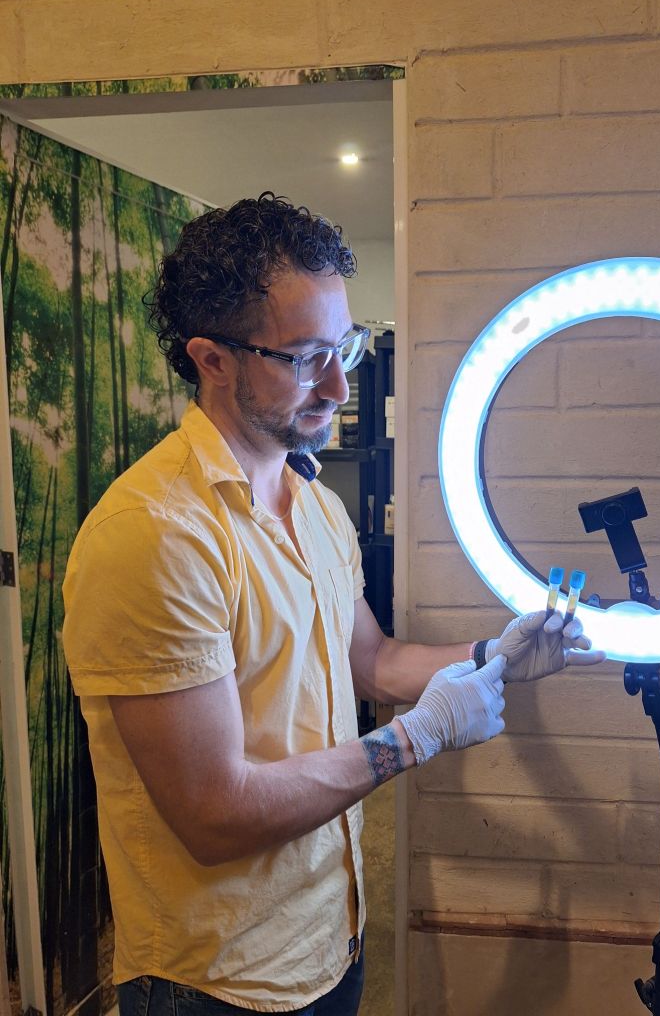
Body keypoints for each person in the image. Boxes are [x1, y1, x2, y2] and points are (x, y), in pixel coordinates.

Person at [62, 193, 604, 1016]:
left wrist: (493, 656)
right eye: (307, 357)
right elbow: (214, 814)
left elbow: (371, 662)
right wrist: (414, 739)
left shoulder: (313, 504)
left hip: (331, 936)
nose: (340, 384)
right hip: (215, 980)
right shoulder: (154, 536)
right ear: (212, 360)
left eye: (344, 346)